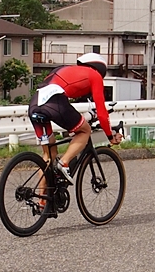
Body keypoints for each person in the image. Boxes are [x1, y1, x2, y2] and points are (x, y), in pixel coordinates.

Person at [28, 52, 122, 185]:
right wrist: (110, 136)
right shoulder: (95, 75)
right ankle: (64, 163)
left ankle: (41, 197)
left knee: (49, 155)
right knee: (85, 130)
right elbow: (102, 112)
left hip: (34, 104)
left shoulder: (64, 69)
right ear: (100, 69)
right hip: (55, 102)